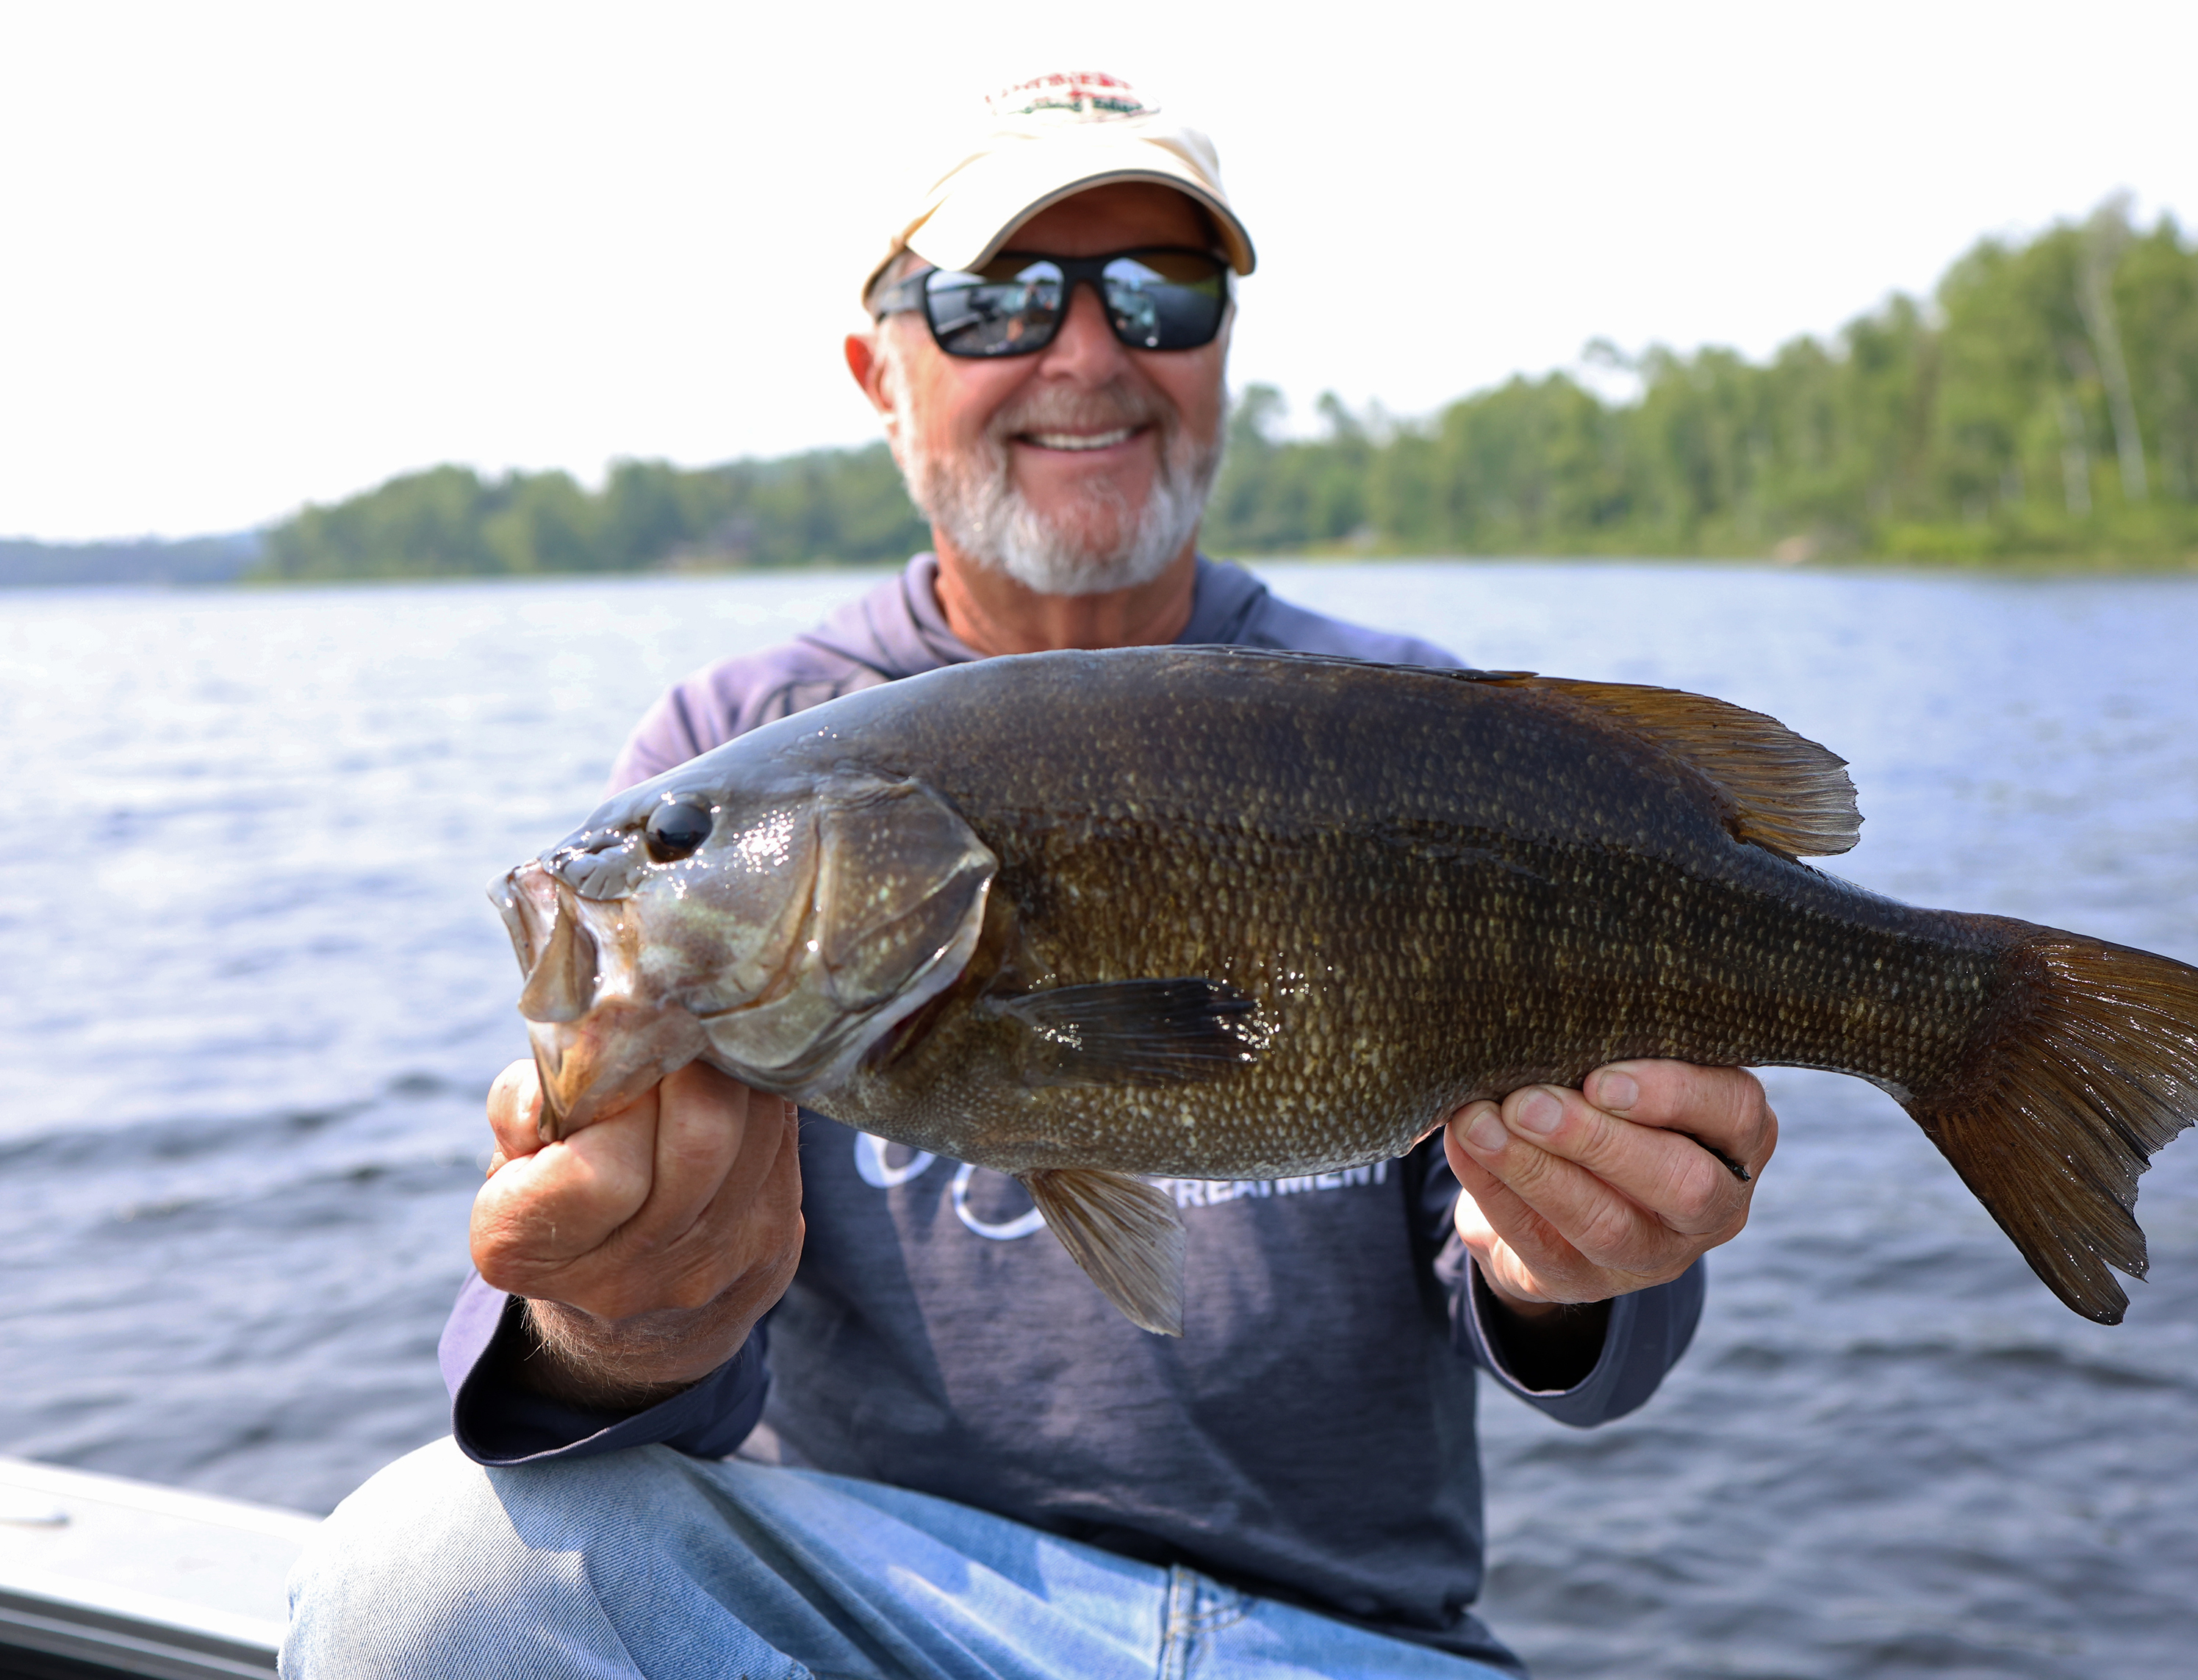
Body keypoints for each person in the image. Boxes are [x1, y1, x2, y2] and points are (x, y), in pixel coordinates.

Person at [284, 73, 1778, 1679]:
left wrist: (1569, 1265)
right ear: (879, 369)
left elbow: (1588, 1352)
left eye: (1160, 292)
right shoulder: (735, 741)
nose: (1086, 354)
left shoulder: (1409, 727)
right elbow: (554, 1399)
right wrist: (614, 1324)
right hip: (868, 1613)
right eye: (995, 300)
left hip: (1339, 1635)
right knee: (418, 1574)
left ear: (1218, 355)